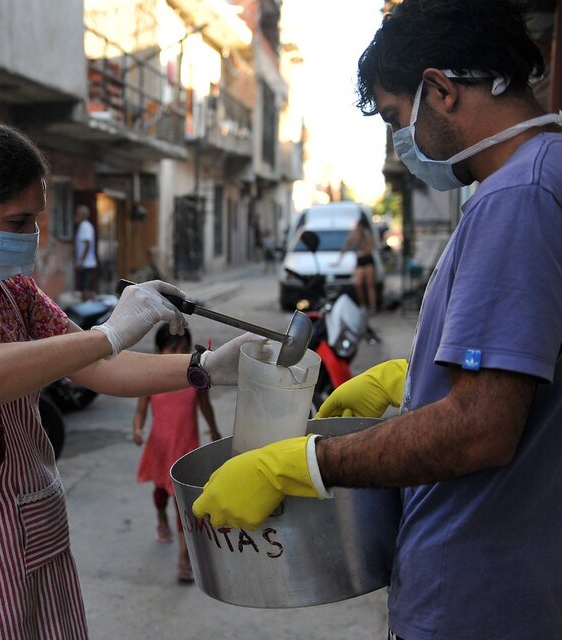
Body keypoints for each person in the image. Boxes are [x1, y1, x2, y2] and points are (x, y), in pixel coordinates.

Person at [191, 2, 562, 639]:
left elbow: (481, 429)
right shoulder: (540, 177)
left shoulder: (517, 196)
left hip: (478, 597)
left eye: (397, 117)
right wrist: (411, 376)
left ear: (440, 90)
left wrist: (301, 464)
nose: (405, 140)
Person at [0, 101, 255, 640]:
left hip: (29, 523)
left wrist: (205, 368)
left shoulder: (10, 290)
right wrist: (106, 334)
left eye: (36, 220)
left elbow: (98, 368)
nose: (32, 237)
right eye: (17, 223)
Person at [132, 325, 224, 584]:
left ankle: (185, 557)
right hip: (160, 449)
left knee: (183, 505)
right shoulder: (151, 380)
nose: (178, 355)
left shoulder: (194, 379)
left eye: (184, 350)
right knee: (161, 494)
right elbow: (140, 411)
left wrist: (215, 432)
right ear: (159, 351)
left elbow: (206, 408)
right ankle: (160, 517)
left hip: (185, 450)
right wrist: (138, 429)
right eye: (173, 350)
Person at [332, 214, 377, 312]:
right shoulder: (353, 236)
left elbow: (369, 250)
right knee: (358, 283)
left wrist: (361, 252)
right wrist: (338, 261)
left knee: (369, 284)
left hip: (367, 261)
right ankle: (363, 305)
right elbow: (345, 248)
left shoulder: (367, 236)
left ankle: (372, 306)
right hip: (360, 262)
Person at [73, 204, 97, 300]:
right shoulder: (84, 226)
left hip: (86, 262)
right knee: (84, 285)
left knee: (84, 286)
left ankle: (86, 304)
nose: (76, 216)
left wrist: (81, 261)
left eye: (78, 214)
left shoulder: (85, 226)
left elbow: (87, 244)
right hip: (87, 261)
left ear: (83, 215)